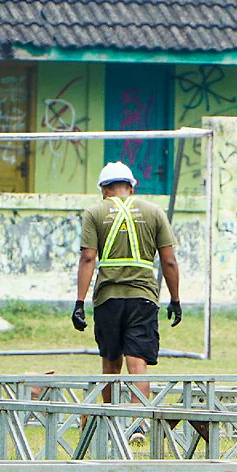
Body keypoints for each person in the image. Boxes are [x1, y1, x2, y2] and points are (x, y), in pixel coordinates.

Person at [74, 161, 180, 396]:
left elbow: (88, 258)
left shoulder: (94, 213)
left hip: (107, 299)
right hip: (143, 298)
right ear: (132, 187)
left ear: (104, 189)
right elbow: (169, 261)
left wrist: (79, 303)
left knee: (110, 365)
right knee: (137, 363)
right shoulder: (154, 212)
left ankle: (110, 417)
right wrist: (175, 300)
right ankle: (139, 417)